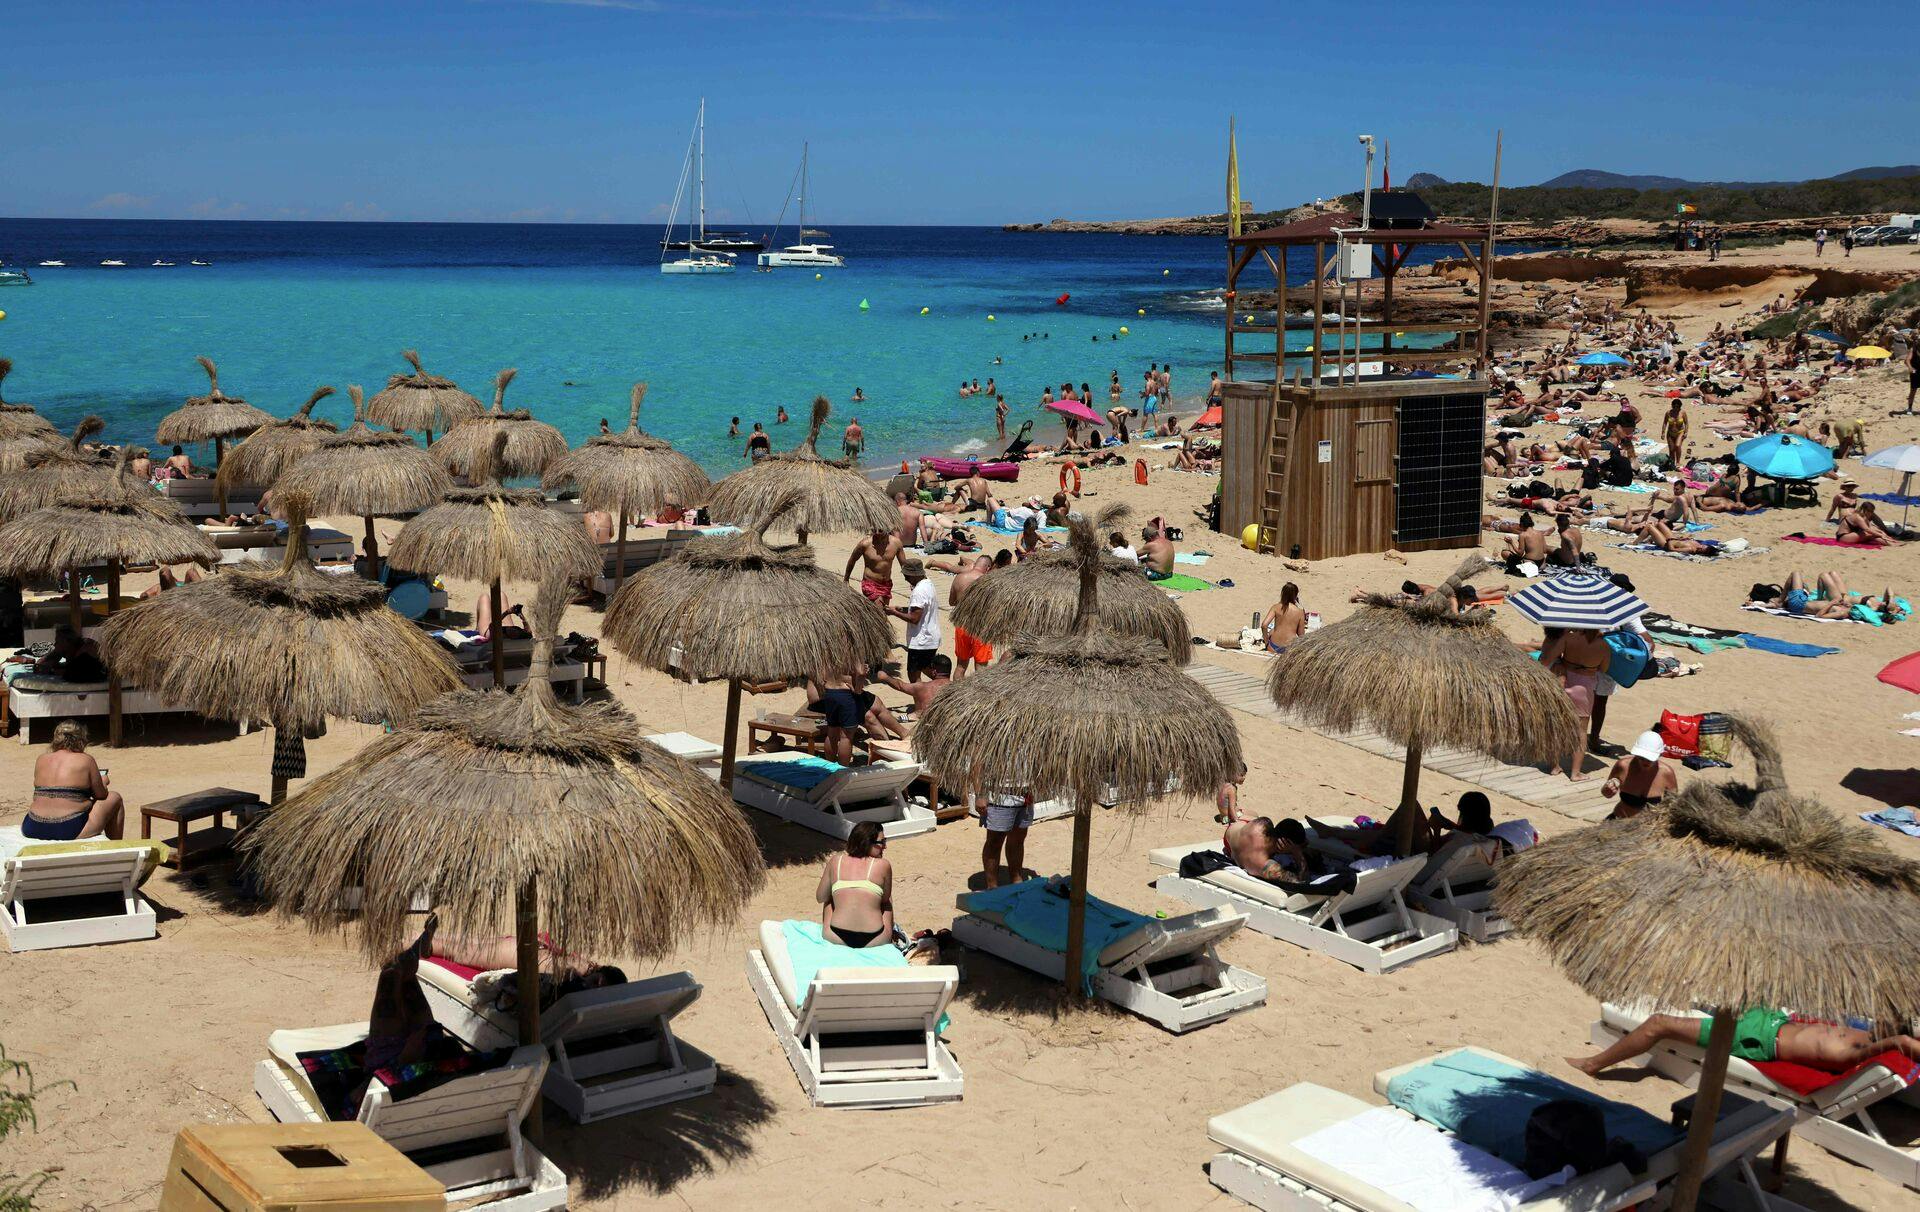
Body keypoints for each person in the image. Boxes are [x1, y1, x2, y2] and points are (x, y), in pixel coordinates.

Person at [1569, 1007, 1920, 1079]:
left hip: (1756, 1038)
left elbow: (1904, 1040)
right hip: (1771, 1021)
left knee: (1659, 1024)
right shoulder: (1863, 1032)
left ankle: (1592, 1064)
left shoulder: (1861, 1050)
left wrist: (1904, 1037)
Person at [22, 719, 124, 840]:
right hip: (68, 829)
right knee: (114, 797)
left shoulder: (41, 759)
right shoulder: (86, 760)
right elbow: (101, 794)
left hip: (33, 826)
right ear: (81, 739)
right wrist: (104, 781)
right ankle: (115, 850)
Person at [1539, 626, 1608, 780]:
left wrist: (1561, 661)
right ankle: (1575, 773)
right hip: (1584, 687)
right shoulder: (1604, 645)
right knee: (1581, 731)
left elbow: (1548, 659)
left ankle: (1554, 766)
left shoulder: (1569, 638)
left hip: (1564, 681)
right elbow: (1604, 668)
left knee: (1556, 724)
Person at [815, 822, 894, 948]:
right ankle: (889, 936)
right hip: (876, 939)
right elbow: (884, 899)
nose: (885, 847)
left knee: (830, 896)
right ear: (867, 842)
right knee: (887, 900)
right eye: (882, 842)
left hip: (835, 936)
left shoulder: (836, 861)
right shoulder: (883, 865)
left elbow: (820, 897)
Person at [1600, 731, 1678, 820]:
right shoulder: (1623, 766)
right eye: (1641, 757)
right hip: (1620, 821)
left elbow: (1672, 805)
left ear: (1660, 755)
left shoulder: (1666, 773)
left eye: (1649, 759)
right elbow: (1607, 794)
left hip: (1649, 827)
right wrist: (1607, 790)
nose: (1645, 761)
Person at [888, 557, 941, 680]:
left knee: (914, 674)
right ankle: (943, 684)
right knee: (925, 668)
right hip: (930, 637)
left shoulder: (919, 591)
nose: (905, 578)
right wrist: (904, 609)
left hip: (921, 640)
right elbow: (922, 609)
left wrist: (894, 612)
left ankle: (942, 685)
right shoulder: (928, 583)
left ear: (914, 575)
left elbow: (914, 619)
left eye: (907, 575)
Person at [947, 555, 995, 678]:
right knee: (980, 668)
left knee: (961, 666)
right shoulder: (987, 582)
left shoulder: (959, 578)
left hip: (962, 625)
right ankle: (977, 696)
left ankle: (957, 694)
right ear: (988, 568)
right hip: (980, 627)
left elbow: (951, 602)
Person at [979, 788, 1034, 889]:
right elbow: (977, 771)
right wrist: (980, 795)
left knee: (1017, 840)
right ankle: (992, 886)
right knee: (995, 842)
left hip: (1025, 798)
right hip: (999, 798)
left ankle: (1016, 880)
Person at [1260, 582, 1306, 653]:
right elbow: (1301, 635)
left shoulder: (1275, 607)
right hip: (1288, 649)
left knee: (1272, 630)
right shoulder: (1300, 612)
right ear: (1295, 595)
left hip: (1273, 647)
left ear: (1282, 593)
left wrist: (1266, 643)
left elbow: (1264, 625)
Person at [1662, 399, 1689, 467]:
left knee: (1677, 446)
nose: (1676, 408)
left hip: (1680, 432)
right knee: (1671, 449)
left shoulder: (1683, 413)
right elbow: (1665, 423)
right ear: (1672, 406)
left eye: (1677, 407)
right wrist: (1663, 432)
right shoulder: (1668, 413)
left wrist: (1686, 432)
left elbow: (1686, 423)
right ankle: (1672, 463)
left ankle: (1678, 461)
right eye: (1674, 407)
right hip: (1670, 433)